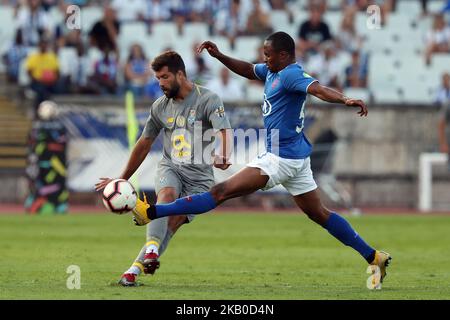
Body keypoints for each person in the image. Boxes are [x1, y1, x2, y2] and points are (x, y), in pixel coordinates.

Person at [131, 32, 392, 289]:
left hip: (280, 158)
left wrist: (344, 98)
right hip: (297, 159)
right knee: (320, 214)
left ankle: (152, 211)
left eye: (268, 55)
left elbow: (318, 89)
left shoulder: (290, 74)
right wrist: (220, 55)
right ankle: (373, 256)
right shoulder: (272, 72)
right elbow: (247, 69)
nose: (263, 59)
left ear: (284, 55)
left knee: (220, 191)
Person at [95, 51, 232, 286]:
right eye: (158, 78)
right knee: (165, 198)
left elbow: (225, 131)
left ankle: (134, 269)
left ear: (180, 74)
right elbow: (144, 143)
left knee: (173, 221)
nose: (161, 83)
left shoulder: (208, 99)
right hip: (171, 167)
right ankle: (147, 257)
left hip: (200, 179)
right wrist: (121, 180)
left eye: (165, 77)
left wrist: (225, 154)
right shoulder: (160, 106)